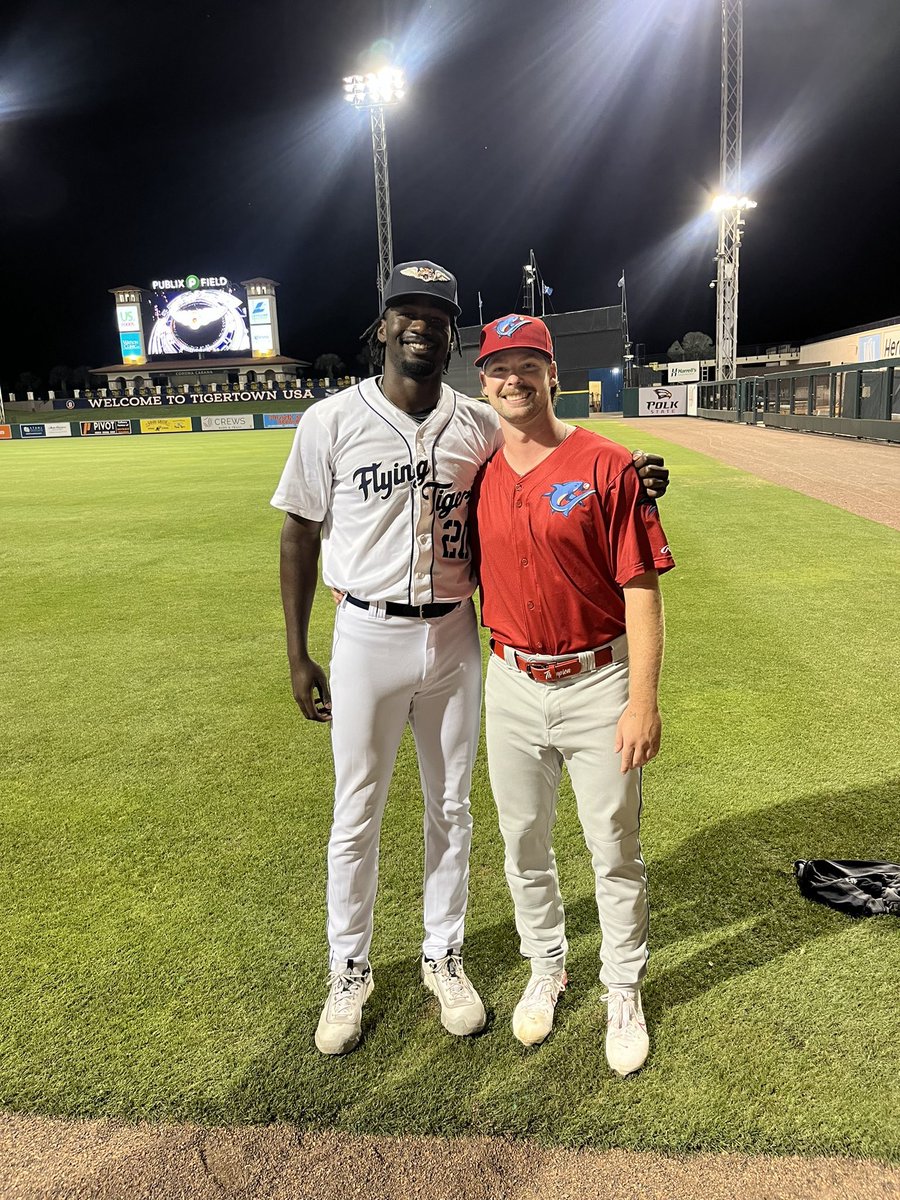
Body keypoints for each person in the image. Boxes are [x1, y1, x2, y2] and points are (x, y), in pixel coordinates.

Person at [272, 264, 669, 1056]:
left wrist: (637, 476)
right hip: (367, 634)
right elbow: (297, 533)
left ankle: (443, 955)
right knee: (357, 811)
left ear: (454, 338)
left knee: (452, 808)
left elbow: (561, 459)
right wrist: (296, 651)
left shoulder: (477, 423)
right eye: (404, 311)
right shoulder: (328, 420)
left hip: (458, 635)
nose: (420, 324)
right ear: (382, 326)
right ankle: (348, 969)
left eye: (437, 315)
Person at [470, 313, 674, 1076]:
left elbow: (643, 591)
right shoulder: (475, 466)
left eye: (529, 364)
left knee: (613, 847)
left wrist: (642, 700)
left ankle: (622, 988)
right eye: (499, 367)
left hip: (599, 681)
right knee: (523, 843)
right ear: (480, 381)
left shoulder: (607, 463)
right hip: (512, 680)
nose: (513, 379)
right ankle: (545, 967)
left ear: (554, 374)